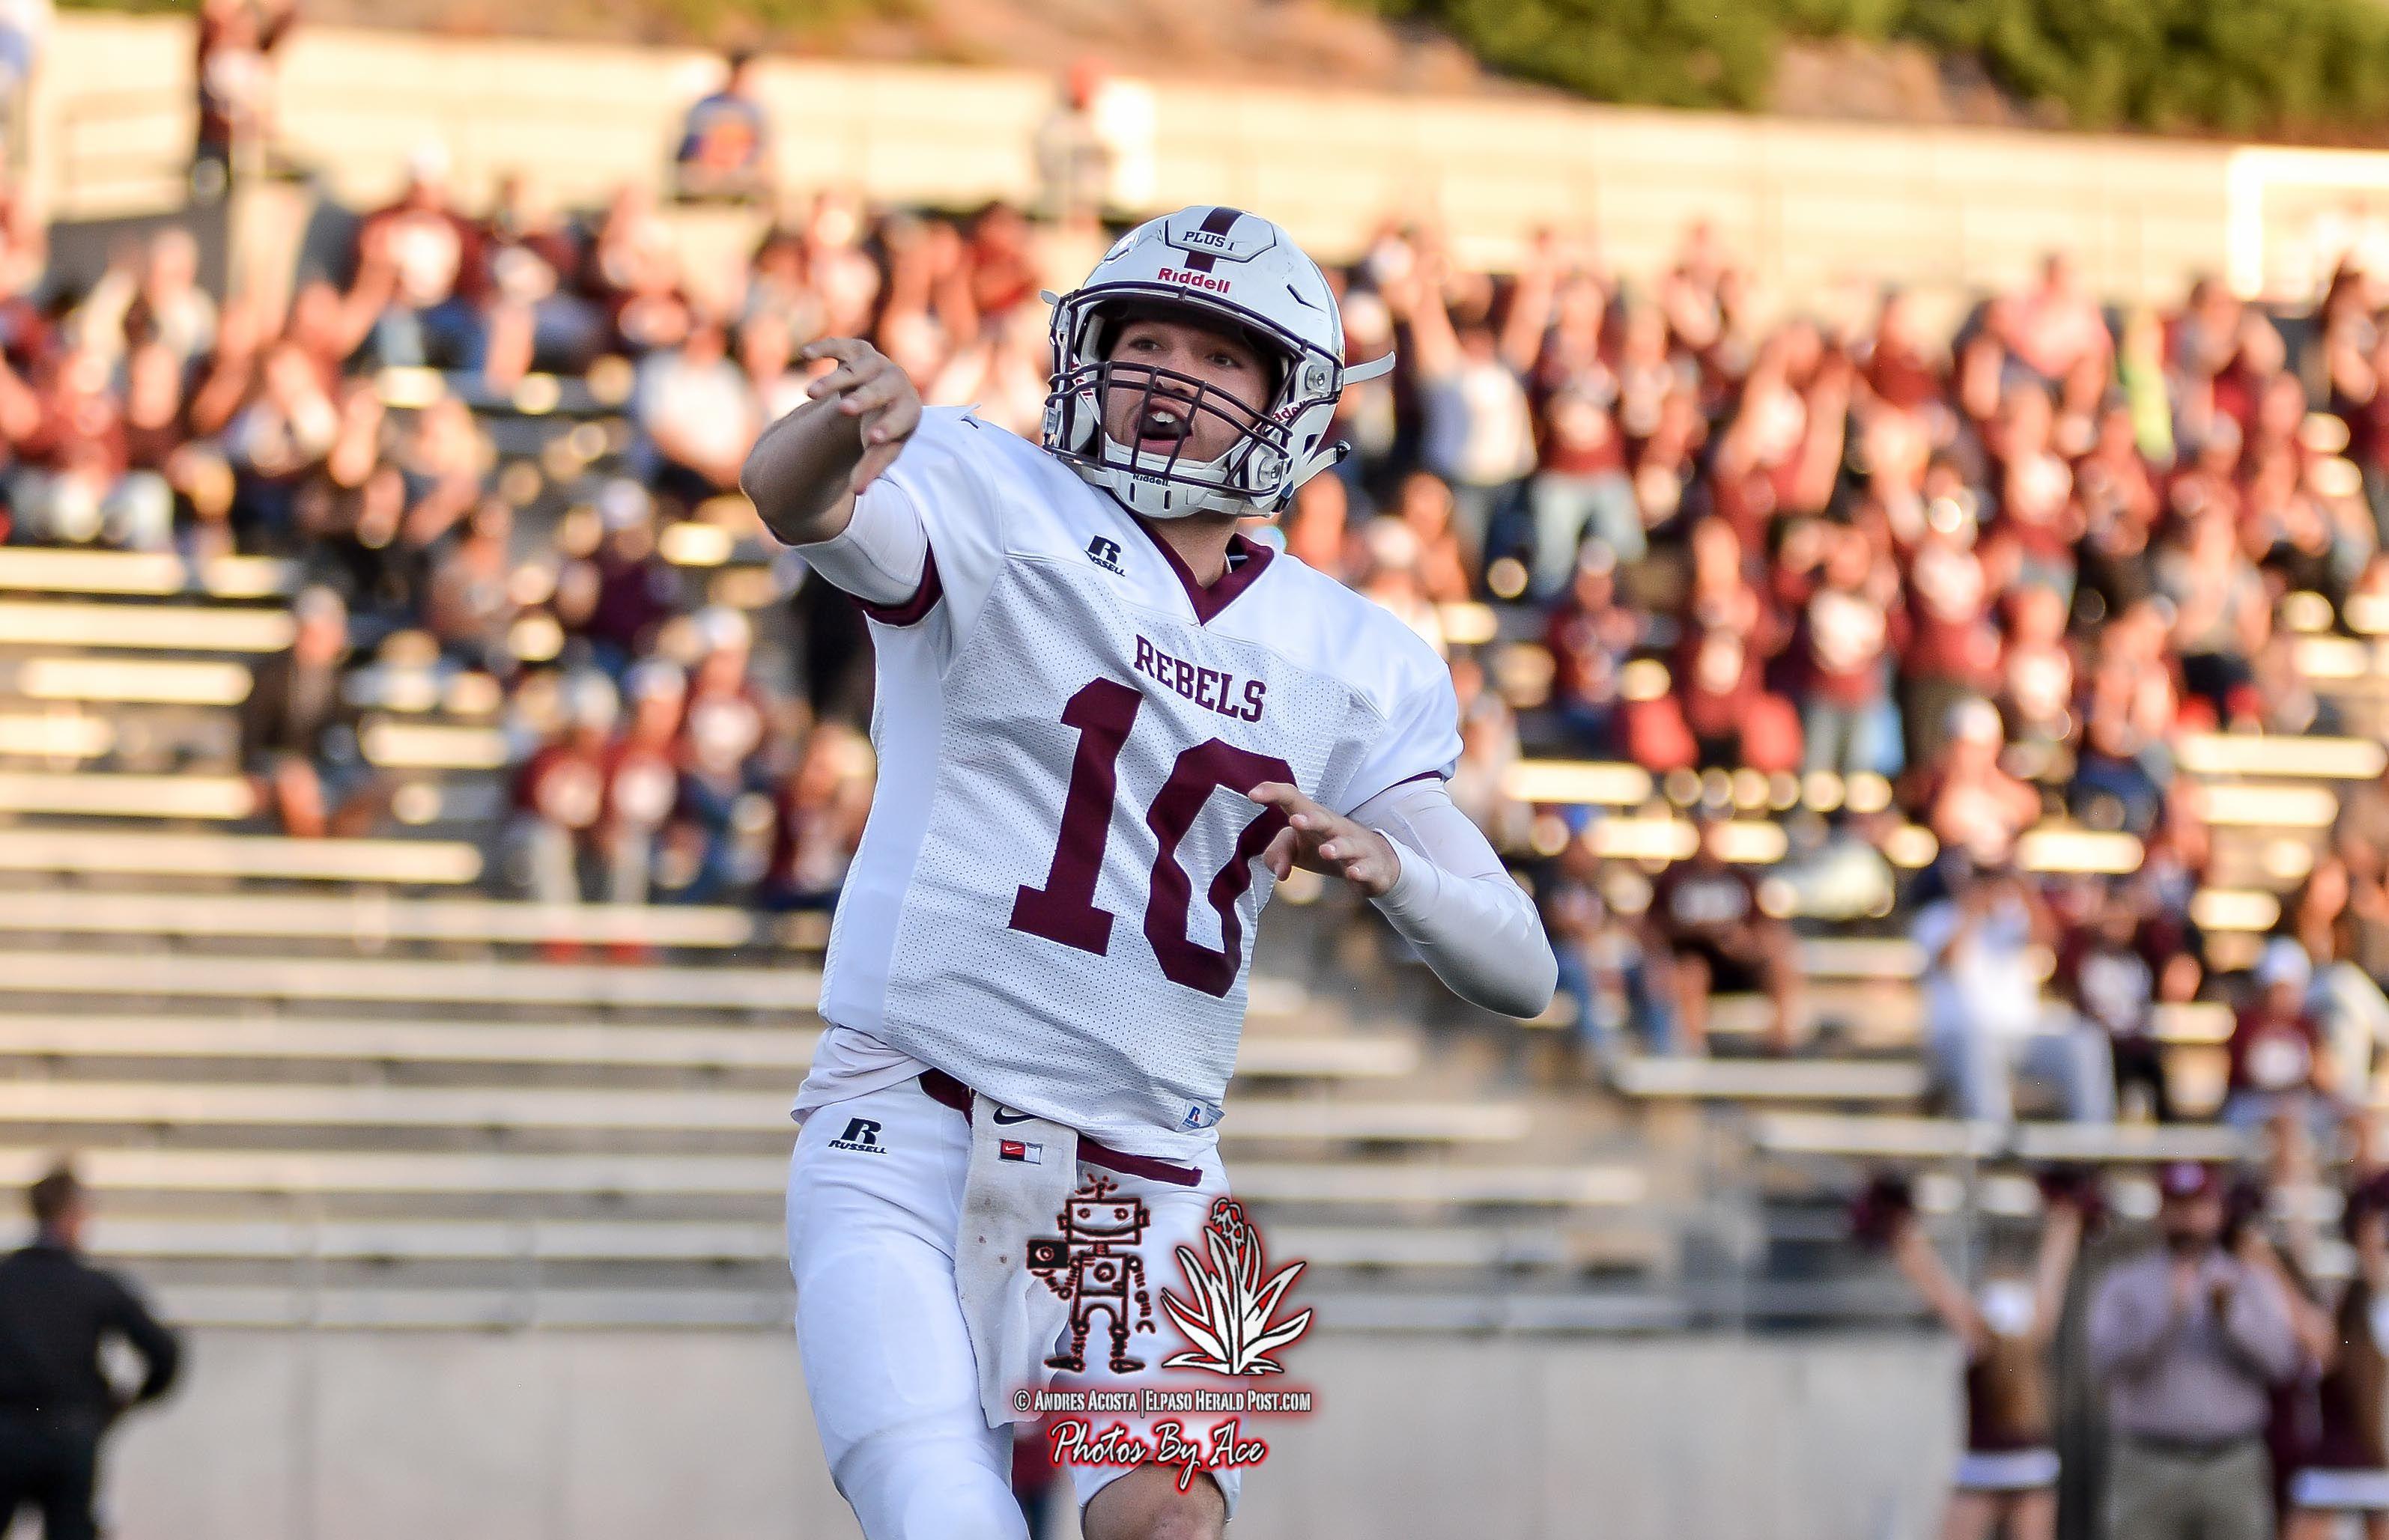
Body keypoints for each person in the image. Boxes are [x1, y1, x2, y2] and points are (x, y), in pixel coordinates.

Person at [743, 204, 1557, 1540]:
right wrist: (848, 419)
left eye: (1221, 355)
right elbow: (793, 497)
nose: (1170, 375)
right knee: (947, 1513)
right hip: (911, 1119)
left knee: (1167, 1524)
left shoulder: (1357, 657)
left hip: (1153, 1170)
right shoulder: (988, 491)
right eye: (1147, 338)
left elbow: (1523, 968)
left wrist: (1397, 871)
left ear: (1293, 403)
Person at [1860, 1171, 2085, 1540]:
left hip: (1985, 1467)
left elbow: (1935, 1285)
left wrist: (1901, 1234)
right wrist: (2067, 1218)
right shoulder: (2034, 1332)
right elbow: (2052, 1272)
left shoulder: (1980, 1335)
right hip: (2024, 1466)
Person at [2089, 1160, 2302, 1540]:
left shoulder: (2246, 1279)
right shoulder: (2127, 1281)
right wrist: (2165, 1313)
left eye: (2198, 1207)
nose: (2188, 1220)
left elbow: (2283, 1363)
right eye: (2178, 1207)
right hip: (2147, 1462)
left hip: (2231, 1463)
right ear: (2160, 1212)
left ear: (2217, 1212)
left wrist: (2232, 1320)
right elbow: (2104, 1363)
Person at [0, 1164, 181, 1540]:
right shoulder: (95, 1285)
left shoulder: (6, 1279)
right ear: (73, 1215)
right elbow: (165, 1352)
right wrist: (125, 1403)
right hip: (71, 1435)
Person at [1913, 861, 2116, 1124]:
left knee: (2085, 1041)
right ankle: (1992, 1142)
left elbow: (2050, 941)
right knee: (1978, 1045)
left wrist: (2026, 890)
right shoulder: (1936, 918)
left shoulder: (2014, 917)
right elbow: (1948, 962)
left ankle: (2092, 1145)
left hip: (2022, 1035)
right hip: (1959, 1038)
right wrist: (1972, 911)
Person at [1642, 802, 1800, 1055]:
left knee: (1781, 962)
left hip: (1738, 961)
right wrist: (1699, 931)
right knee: (1692, 972)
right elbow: (1653, 927)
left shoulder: (1743, 879)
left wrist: (1745, 943)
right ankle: (1693, 1049)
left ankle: (1780, 1041)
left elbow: (1765, 926)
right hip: (1694, 958)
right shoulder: (1674, 879)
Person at [672, 52, 774, 203]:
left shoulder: (756, 112)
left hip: (741, 175)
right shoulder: (705, 108)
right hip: (709, 172)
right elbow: (691, 151)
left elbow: (763, 154)